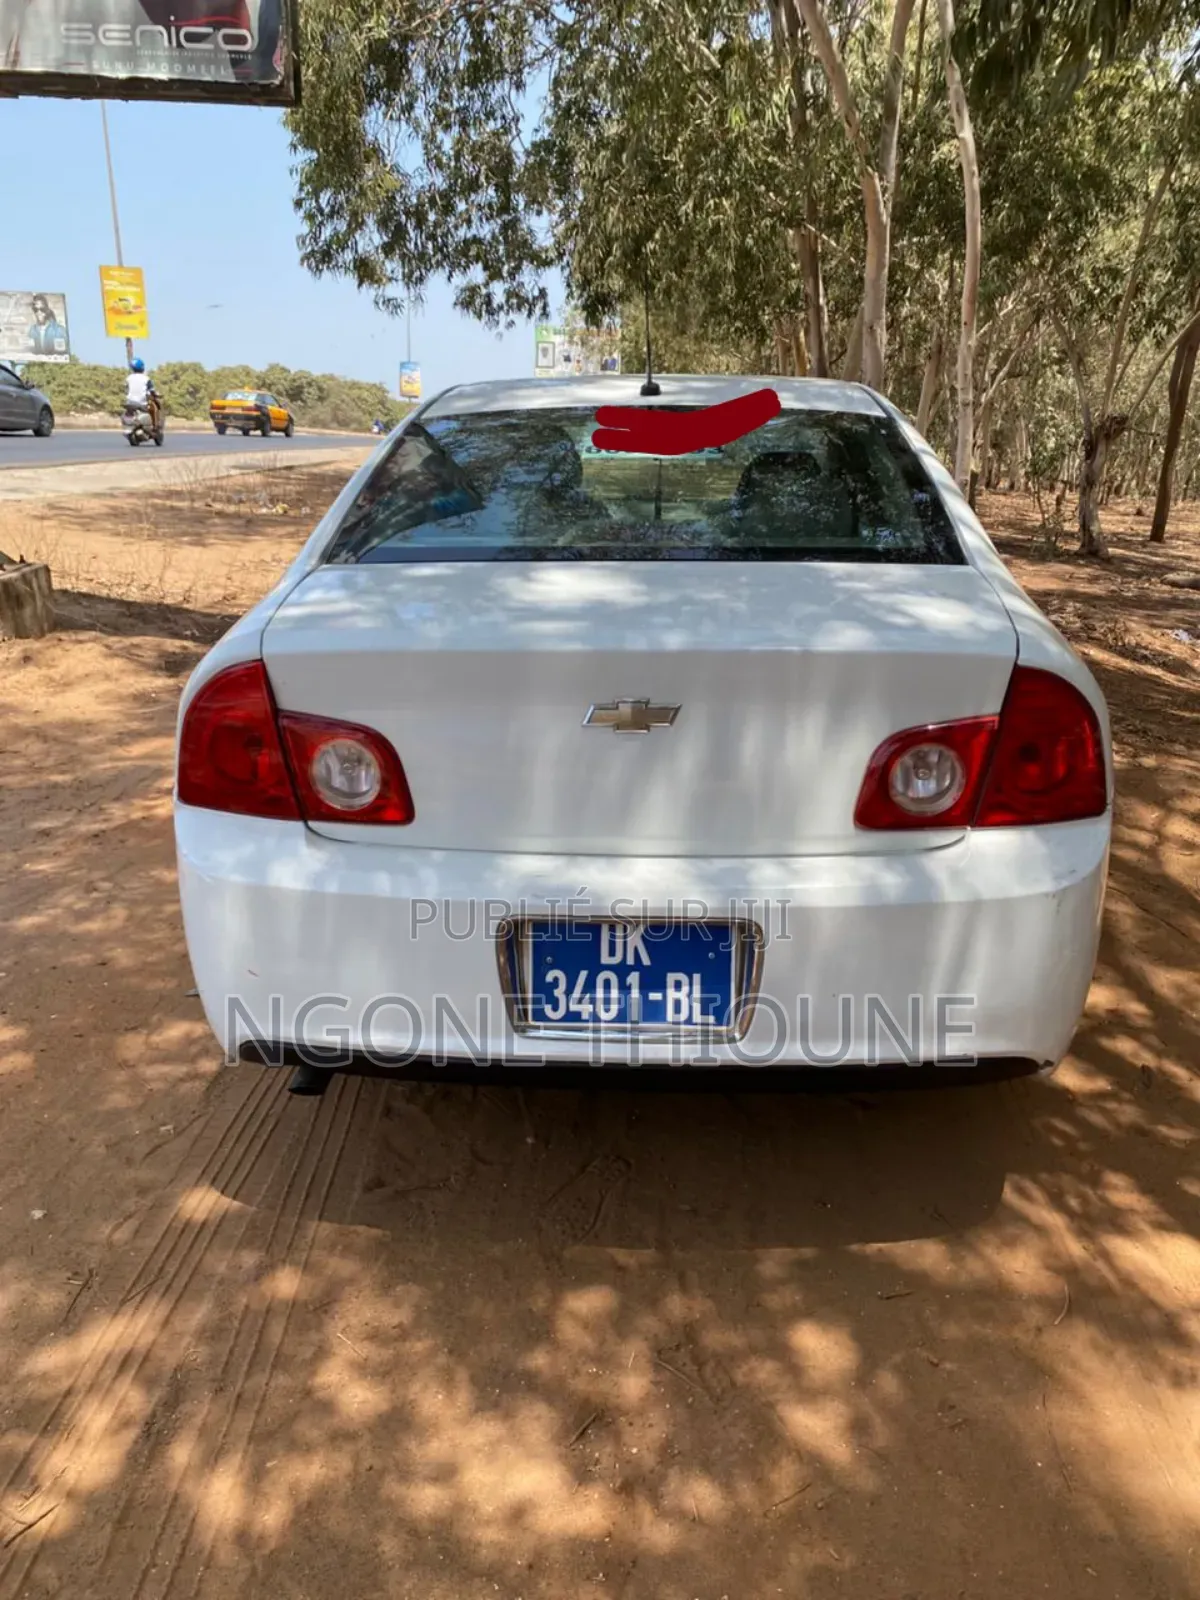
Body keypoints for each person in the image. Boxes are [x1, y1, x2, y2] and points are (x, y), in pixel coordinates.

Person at [125, 359, 162, 432]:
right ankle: (155, 426)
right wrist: (155, 395)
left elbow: (126, 389)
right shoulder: (146, 378)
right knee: (153, 409)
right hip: (142, 403)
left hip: (129, 403)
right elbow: (152, 390)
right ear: (142, 367)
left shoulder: (128, 378)